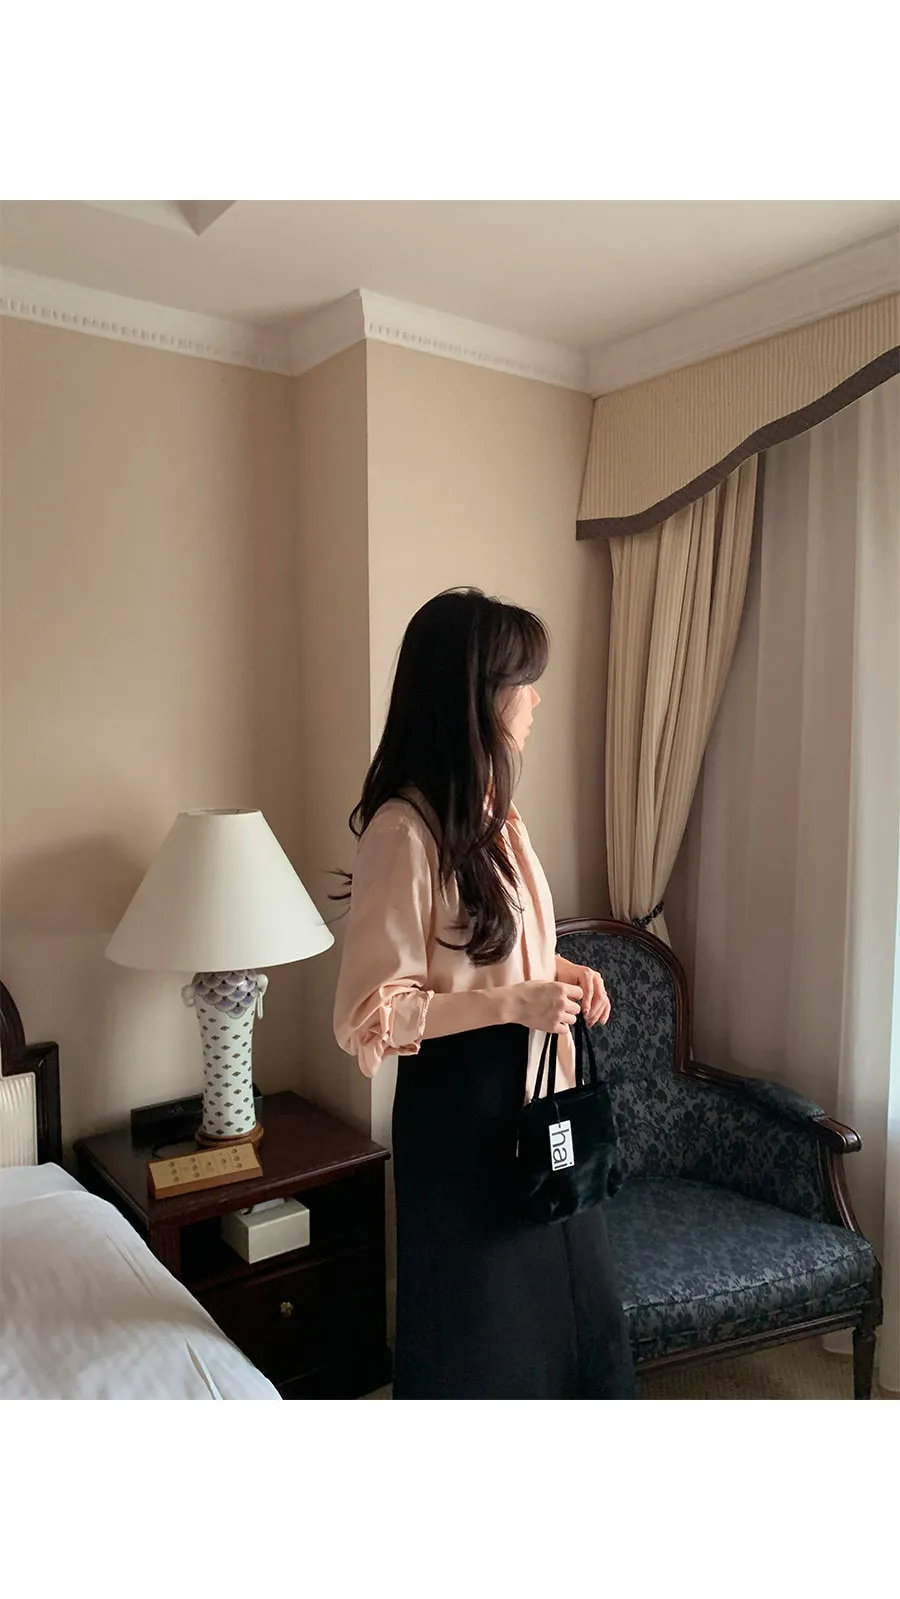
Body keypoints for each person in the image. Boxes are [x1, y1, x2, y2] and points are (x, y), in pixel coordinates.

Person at [333, 587, 634, 1399]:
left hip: (539, 1089)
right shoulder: (404, 832)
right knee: (484, 1337)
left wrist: (562, 972)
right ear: (476, 695)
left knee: (579, 1315)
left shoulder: (500, 817)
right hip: (461, 1106)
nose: (536, 700)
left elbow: (494, 950)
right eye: (522, 682)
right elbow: (372, 1011)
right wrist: (513, 1004)